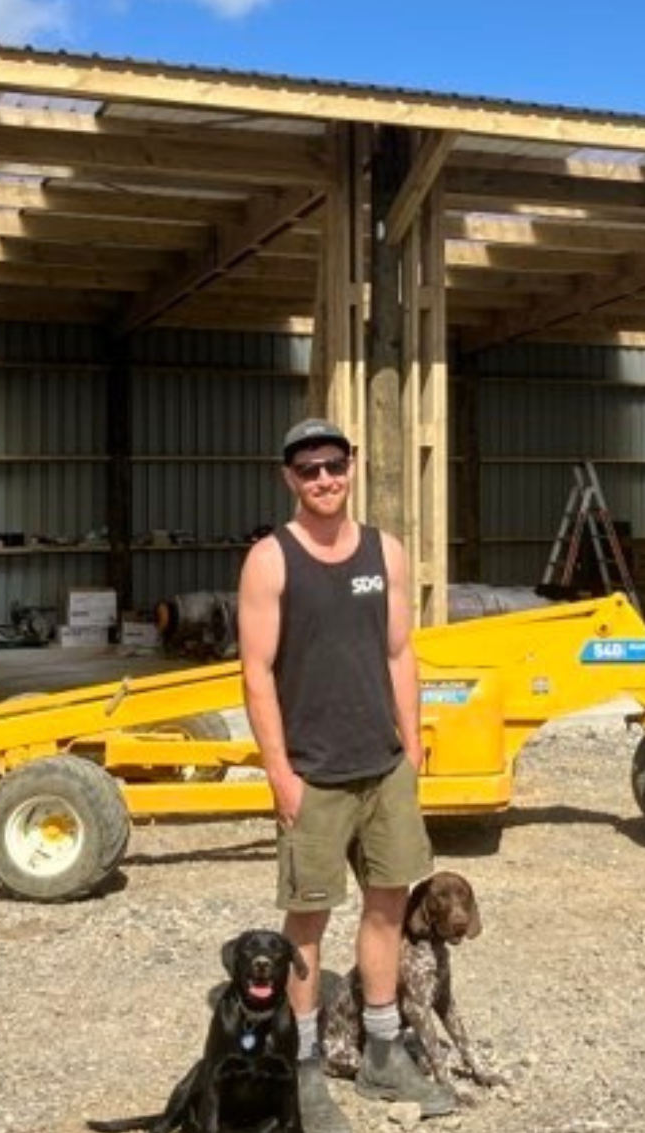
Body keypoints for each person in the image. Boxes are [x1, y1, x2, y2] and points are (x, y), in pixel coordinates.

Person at [237, 418, 457, 1129]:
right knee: (307, 922)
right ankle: (300, 1068)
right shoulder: (271, 560)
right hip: (315, 772)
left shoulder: (383, 551)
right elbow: (256, 672)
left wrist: (413, 743)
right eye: (308, 469)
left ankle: (383, 1049)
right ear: (288, 478)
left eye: (333, 464)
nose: (324, 478)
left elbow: (399, 651)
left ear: (352, 465)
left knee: (389, 906)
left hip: (384, 766)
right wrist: (280, 773)